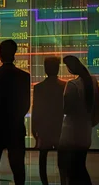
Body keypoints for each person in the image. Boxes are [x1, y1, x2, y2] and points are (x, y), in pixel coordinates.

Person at [0, 40, 30, 185]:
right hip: (15, 130)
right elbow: (25, 105)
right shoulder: (24, 76)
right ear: (14, 54)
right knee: (19, 172)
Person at [58, 55, 99, 185]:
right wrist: (90, 123)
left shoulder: (72, 85)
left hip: (70, 133)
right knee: (80, 167)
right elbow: (98, 107)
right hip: (85, 132)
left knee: (68, 168)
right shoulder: (92, 81)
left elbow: (66, 109)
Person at [32, 57, 66, 185]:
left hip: (44, 129)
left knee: (43, 160)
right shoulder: (64, 86)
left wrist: (34, 130)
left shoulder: (39, 88)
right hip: (59, 128)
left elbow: (36, 110)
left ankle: (44, 183)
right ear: (58, 68)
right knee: (62, 161)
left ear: (45, 69)